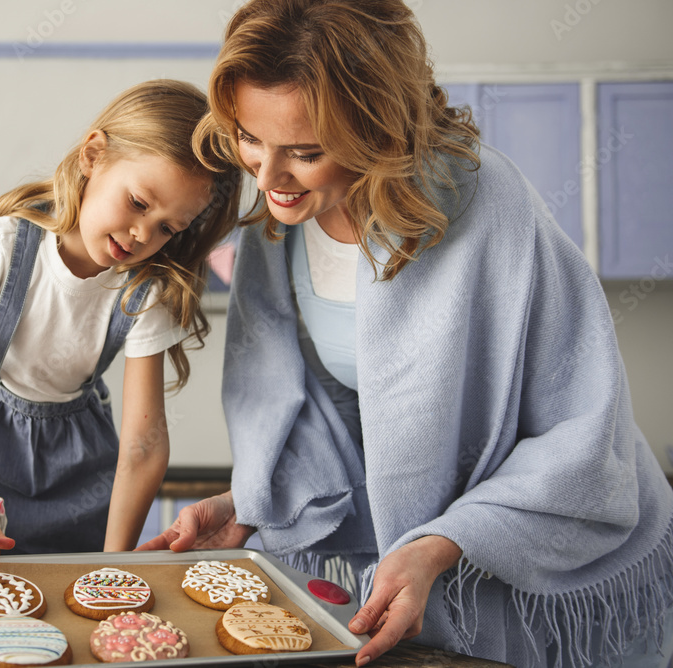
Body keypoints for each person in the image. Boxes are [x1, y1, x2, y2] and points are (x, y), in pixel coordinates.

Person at [138, 2, 673, 666]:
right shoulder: (274, 225)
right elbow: (335, 424)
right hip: (412, 572)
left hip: (543, 586)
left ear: (375, 130)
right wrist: (254, 505)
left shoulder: (486, 206)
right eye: (250, 137)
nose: (267, 178)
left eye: (305, 152)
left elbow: (584, 434)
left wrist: (444, 541)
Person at [0, 79, 241, 579]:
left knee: (62, 591)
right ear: (93, 156)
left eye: (168, 228)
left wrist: (113, 566)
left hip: (73, 465)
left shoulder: (144, 293)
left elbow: (143, 446)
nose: (144, 235)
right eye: (139, 203)